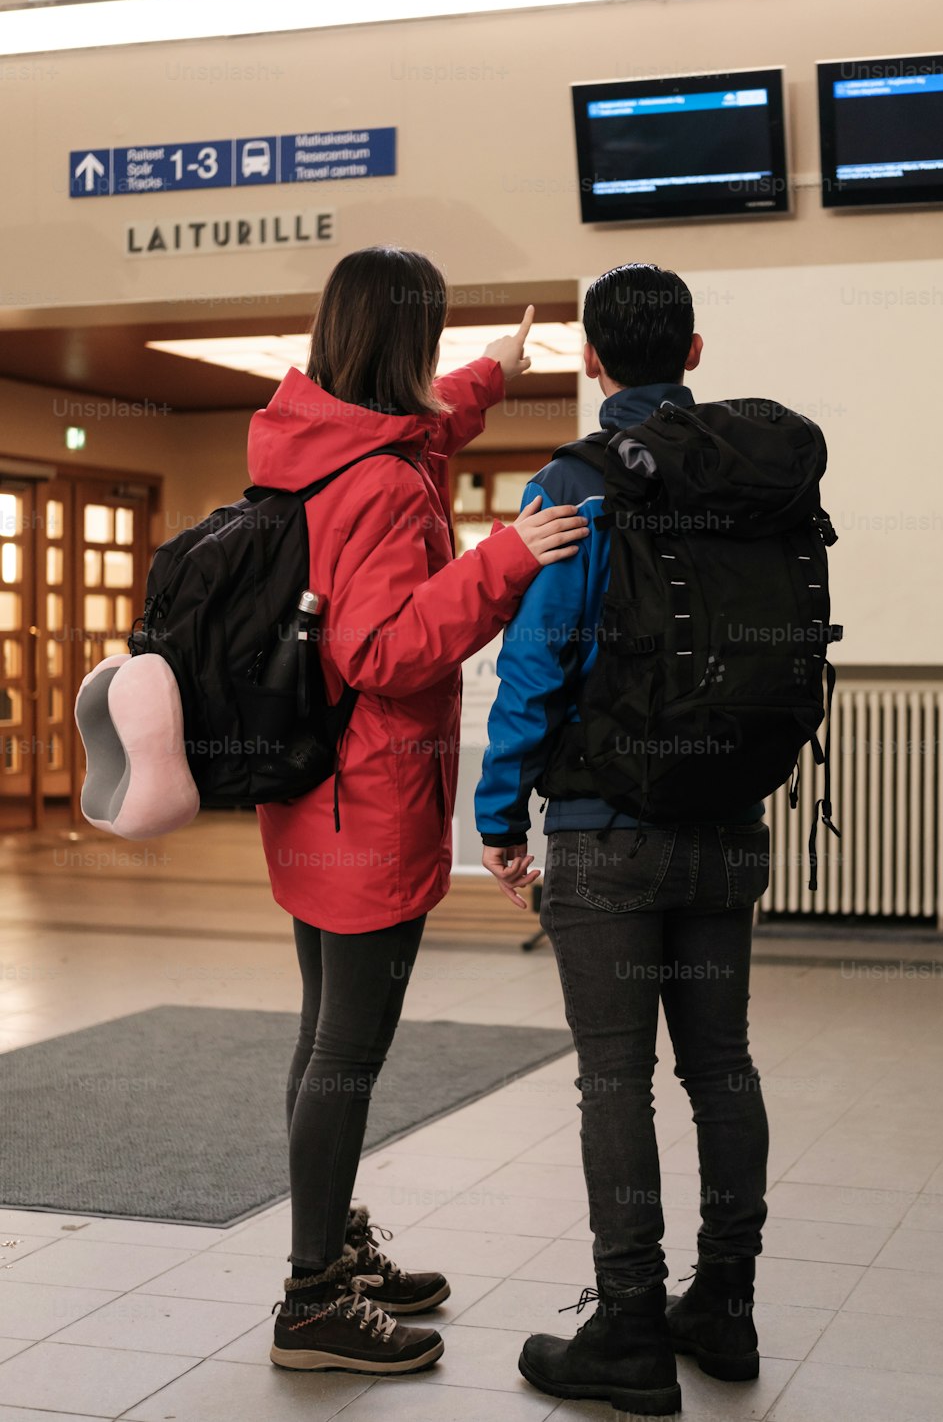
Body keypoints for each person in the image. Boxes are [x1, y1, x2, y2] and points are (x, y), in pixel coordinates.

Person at [246, 245, 589, 1375]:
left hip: (307, 793)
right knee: (347, 1052)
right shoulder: (388, 484)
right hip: (372, 799)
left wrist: (495, 370)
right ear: (407, 343)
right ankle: (311, 1300)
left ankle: (329, 1245)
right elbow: (386, 650)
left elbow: (421, 435)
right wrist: (506, 558)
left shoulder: (306, 444)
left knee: (320, 1039)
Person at [475, 264, 771, 1416]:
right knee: (722, 1067)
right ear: (693, 355)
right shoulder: (756, 479)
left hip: (605, 834)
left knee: (615, 1078)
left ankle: (630, 1331)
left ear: (593, 362)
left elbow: (535, 668)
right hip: (727, 820)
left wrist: (500, 817)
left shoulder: (575, 487)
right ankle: (726, 1308)